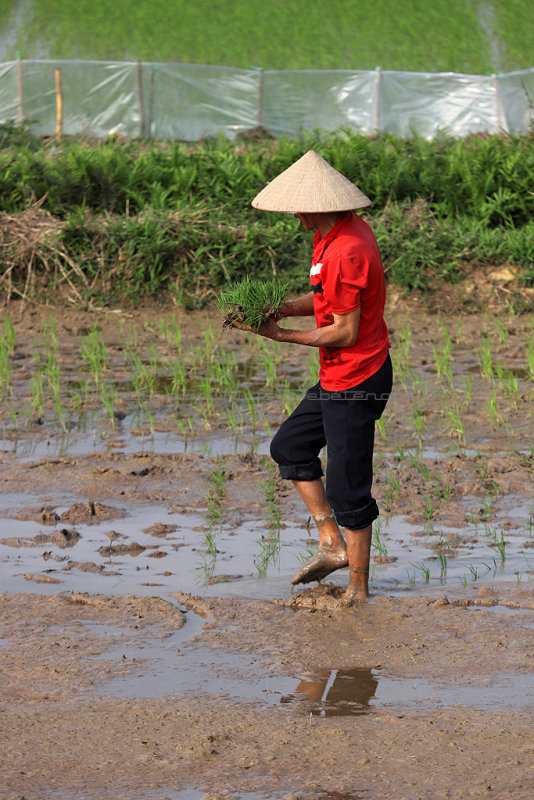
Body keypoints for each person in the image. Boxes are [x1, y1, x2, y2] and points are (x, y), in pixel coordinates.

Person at [241, 150, 392, 603]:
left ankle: (359, 588)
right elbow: (326, 299)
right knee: (290, 446)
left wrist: (281, 335)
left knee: (349, 486)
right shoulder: (333, 234)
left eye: (297, 206)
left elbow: (344, 331)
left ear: (316, 205)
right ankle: (332, 542)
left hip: (356, 379)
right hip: (338, 376)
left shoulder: (348, 249)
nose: (293, 214)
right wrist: (282, 307)